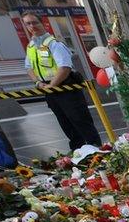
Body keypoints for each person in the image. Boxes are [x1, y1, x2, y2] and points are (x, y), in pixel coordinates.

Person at [21, 11, 101, 150]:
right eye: (28, 23)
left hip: (65, 87)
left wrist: (52, 85)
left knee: (80, 120)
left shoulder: (54, 44)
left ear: (42, 23)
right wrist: (38, 83)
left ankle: (96, 149)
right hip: (49, 89)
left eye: (35, 22)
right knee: (65, 122)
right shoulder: (31, 47)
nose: (32, 26)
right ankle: (79, 152)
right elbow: (29, 68)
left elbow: (65, 67)